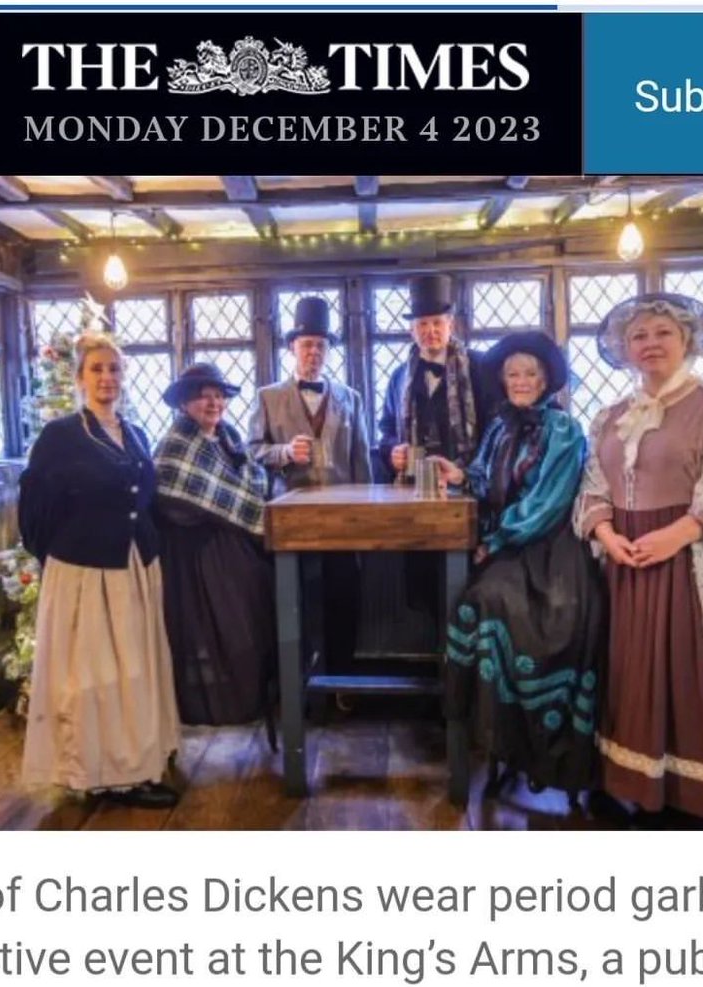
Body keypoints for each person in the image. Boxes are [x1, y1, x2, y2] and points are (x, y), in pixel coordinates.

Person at [573, 292, 703, 823]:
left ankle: (692, 800)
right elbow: (592, 483)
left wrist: (679, 533)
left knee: (689, 674)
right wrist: (607, 533)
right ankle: (635, 784)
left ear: (687, 339)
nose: (650, 343)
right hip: (628, 562)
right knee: (633, 676)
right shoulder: (611, 415)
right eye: (638, 335)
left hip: (692, 560)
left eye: (662, 332)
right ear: (623, 347)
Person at [433, 331, 604, 801]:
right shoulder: (500, 426)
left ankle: (538, 750)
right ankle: (501, 741)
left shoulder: (563, 430)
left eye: (530, 373)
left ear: (546, 379)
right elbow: (485, 477)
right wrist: (460, 475)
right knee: (473, 599)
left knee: (489, 599)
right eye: (513, 374)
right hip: (511, 545)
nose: (521, 381)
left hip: (548, 555)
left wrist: (495, 540)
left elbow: (548, 504)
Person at [17, 332, 180, 805]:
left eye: (114, 369)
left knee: (134, 670)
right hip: (85, 572)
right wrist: (63, 558)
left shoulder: (135, 433)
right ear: (79, 378)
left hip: (134, 565)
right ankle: (101, 774)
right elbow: (35, 509)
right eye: (97, 369)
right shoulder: (61, 436)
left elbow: (144, 498)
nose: (107, 378)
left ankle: (138, 762)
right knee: (96, 676)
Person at [248, 295, 371, 679]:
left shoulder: (351, 399)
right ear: (292, 349)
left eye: (321, 345)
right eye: (306, 345)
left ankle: (343, 684)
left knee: (343, 602)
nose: (313, 352)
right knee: (295, 603)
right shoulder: (267, 398)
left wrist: (364, 525)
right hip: (291, 522)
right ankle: (297, 686)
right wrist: (284, 452)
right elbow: (251, 453)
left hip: (343, 524)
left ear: (329, 350)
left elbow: (362, 464)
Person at [153, 362, 277, 729]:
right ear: (185, 404)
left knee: (251, 617)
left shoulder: (229, 437)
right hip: (196, 554)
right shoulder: (176, 444)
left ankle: (252, 696)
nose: (213, 404)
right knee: (218, 628)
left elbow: (247, 482)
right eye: (204, 397)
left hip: (232, 544)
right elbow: (172, 496)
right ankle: (216, 704)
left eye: (219, 396)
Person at [378, 273, 494, 475]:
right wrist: (393, 450)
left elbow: (495, 428)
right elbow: (387, 430)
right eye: (422, 324)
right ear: (411, 331)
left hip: (468, 483)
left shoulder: (481, 367)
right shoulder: (399, 377)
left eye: (437, 323)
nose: (430, 330)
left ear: (451, 325)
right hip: (415, 485)